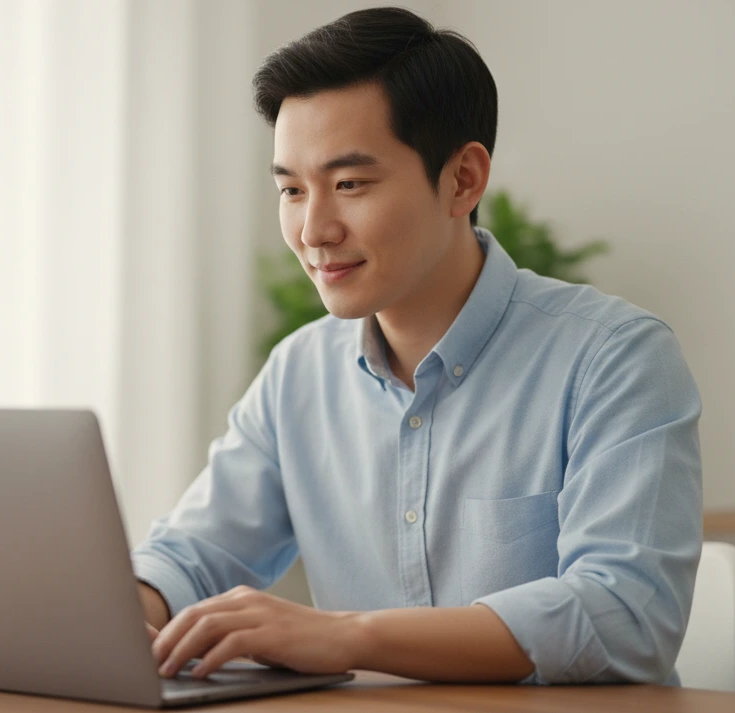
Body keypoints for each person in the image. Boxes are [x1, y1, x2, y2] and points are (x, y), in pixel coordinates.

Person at [131, 6, 702, 686]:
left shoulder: (616, 357)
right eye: (290, 189)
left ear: (463, 179)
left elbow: (623, 615)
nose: (313, 229)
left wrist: (348, 635)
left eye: (349, 185)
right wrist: (120, 615)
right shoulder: (299, 373)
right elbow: (191, 553)